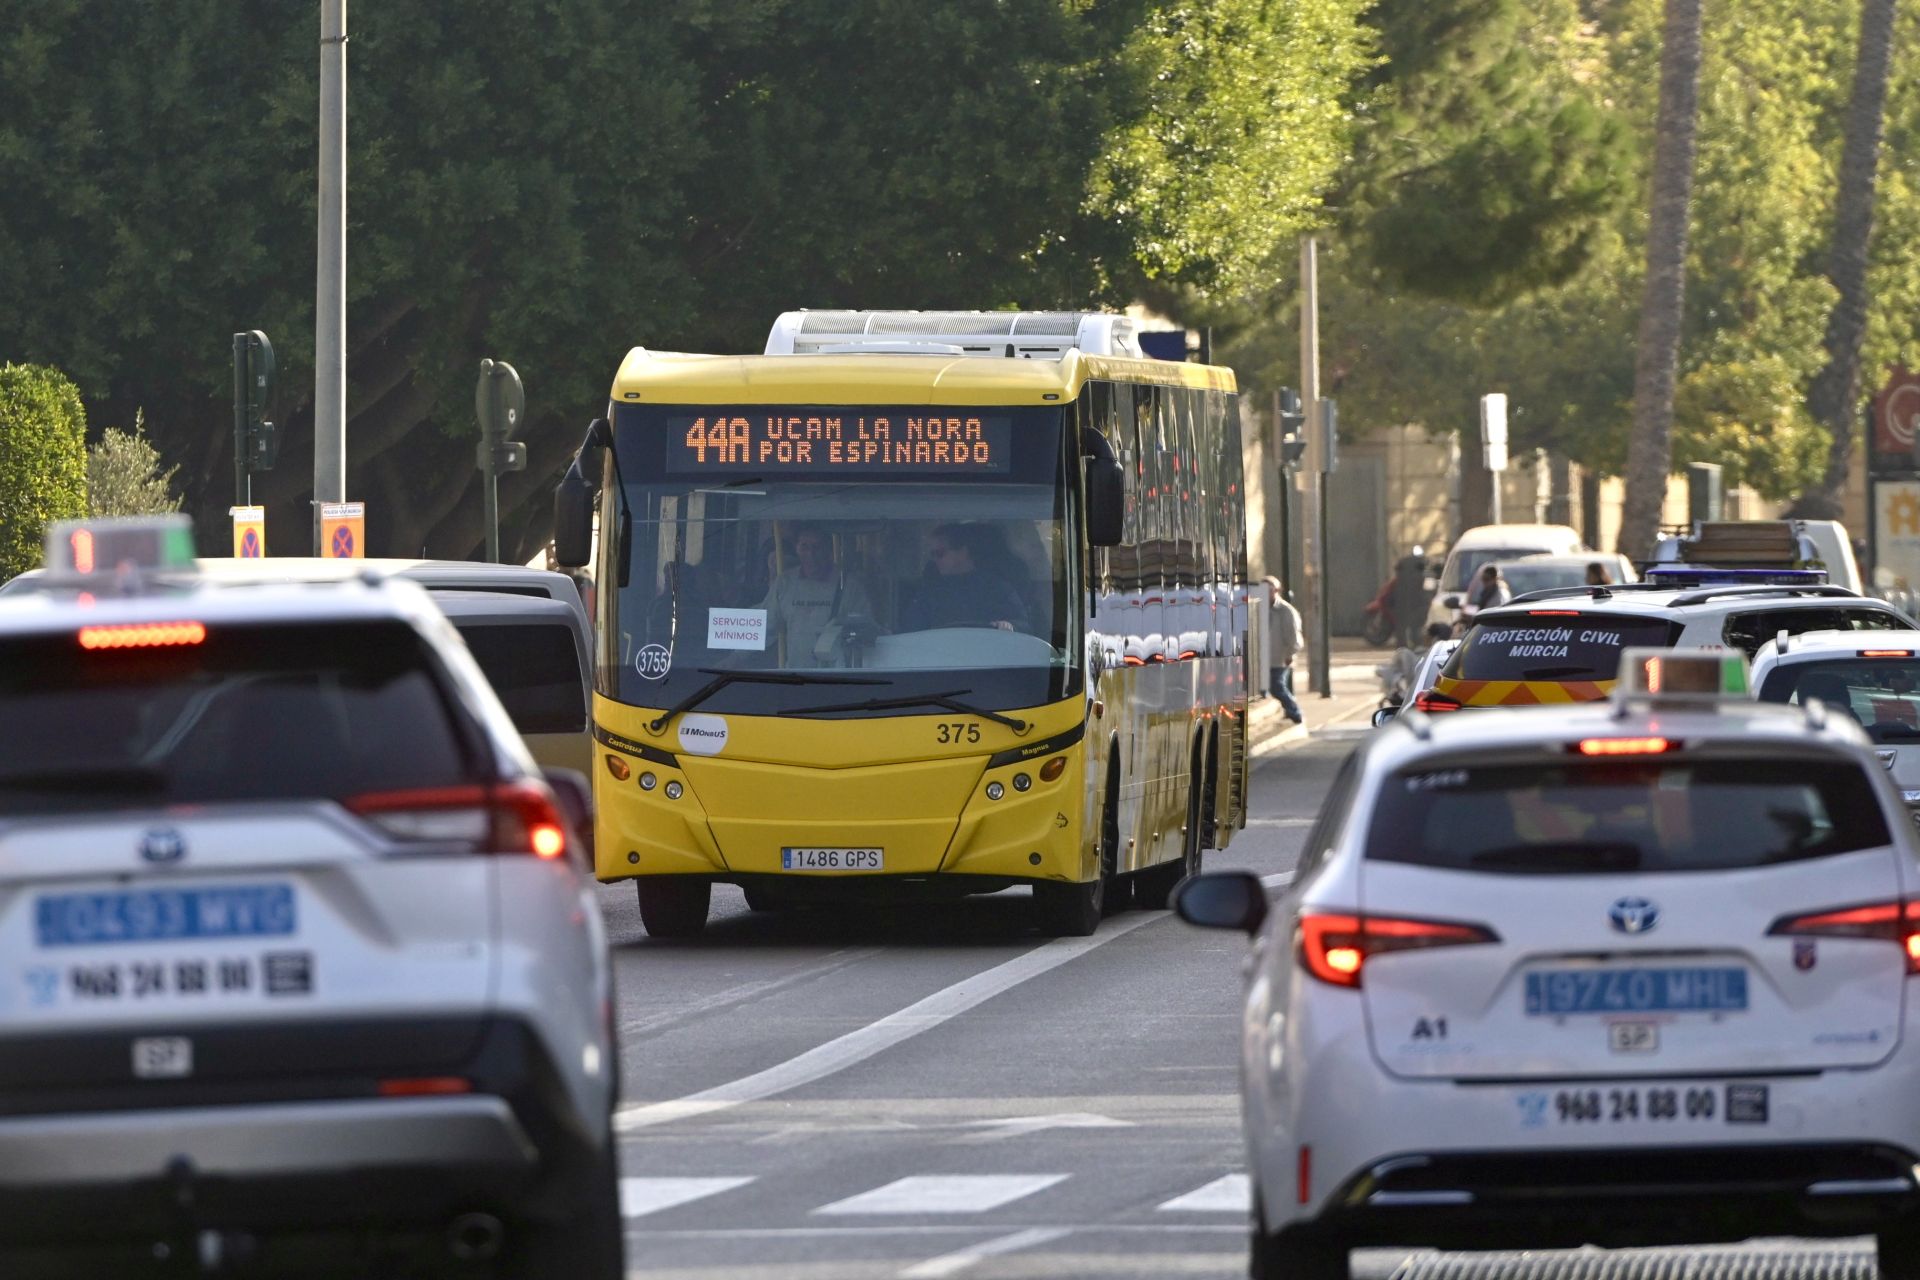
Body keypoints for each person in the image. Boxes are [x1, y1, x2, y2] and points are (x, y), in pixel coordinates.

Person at [759, 527, 873, 666]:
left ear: (829, 551)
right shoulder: (785, 583)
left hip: (838, 678)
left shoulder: (850, 586)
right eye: (804, 546)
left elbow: (866, 632)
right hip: (794, 677)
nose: (811, 554)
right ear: (796, 549)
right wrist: (733, 659)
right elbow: (764, 628)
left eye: (817, 547)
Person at [900, 523, 1030, 632]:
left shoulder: (998, 589)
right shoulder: (929, 593)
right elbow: (910, 631)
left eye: (939, 553)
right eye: (932, 554)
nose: (934, 560)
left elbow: (1024, 626)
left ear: (963, 551)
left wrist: (1009, 626)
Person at [1262, 576, 1304, 725]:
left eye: (1270, 589)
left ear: (1277, 591)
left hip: (1279, 658)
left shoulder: (1286, 611)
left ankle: (1295, 712)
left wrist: (1290, 654)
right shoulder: (1257, 608)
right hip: (1263, 659)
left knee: (1277, 687)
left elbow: (1294, 636)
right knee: (1263, 690)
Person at [1391, 544, 1430, 649]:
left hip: (1405, 599)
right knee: (1411, 624)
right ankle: (1412, 644)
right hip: (1410, 599)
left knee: (1407, 624)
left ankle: (1405, 644)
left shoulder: (1407, 566)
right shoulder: (1417, 569)